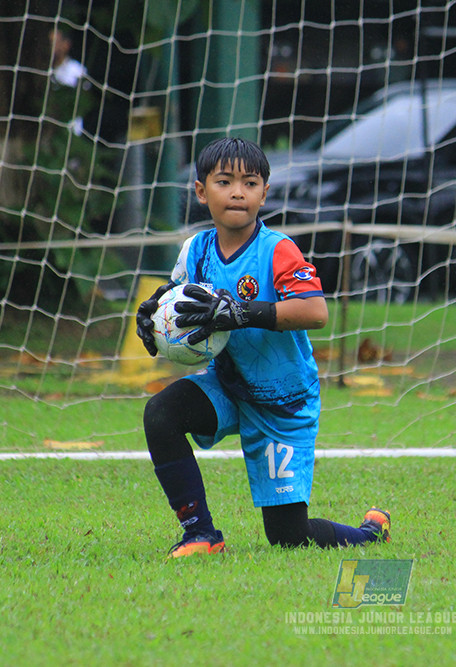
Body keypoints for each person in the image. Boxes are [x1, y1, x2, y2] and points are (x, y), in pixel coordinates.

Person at [135, 137, 391, 557]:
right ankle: (200, 534)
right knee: (161, 412)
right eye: (224, 181)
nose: (238, 192)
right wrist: (152, 321)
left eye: (250, 182)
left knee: (288, 535)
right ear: (201, 191)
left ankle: (370, 533)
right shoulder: (195, 250)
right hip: (228, 386)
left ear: (264, 193)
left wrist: (241, 312)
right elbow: (176, 301)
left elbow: (315, 312)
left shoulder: (278, 250)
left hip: (282, 401)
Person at [48, 27, 89, 135]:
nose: (51, 47)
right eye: (49, 43)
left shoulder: (77, 71)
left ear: (66, 45)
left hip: (73, 130)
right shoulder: (41, 71)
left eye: (54, 43)